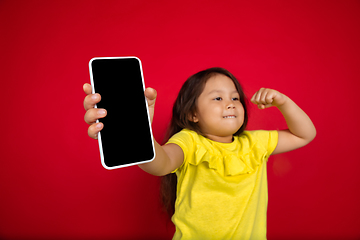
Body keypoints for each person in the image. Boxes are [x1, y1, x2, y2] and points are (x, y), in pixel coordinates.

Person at [83, 67, 316, 239]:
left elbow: (304, 134)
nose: (231, 103)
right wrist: (139, 132)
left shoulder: (255, 143)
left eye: (235, 97)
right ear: (193, 114)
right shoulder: (191, 141)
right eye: (218, 98)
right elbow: (161, 163)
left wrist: (284, 102)